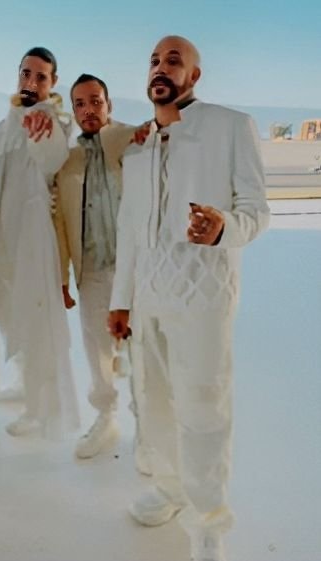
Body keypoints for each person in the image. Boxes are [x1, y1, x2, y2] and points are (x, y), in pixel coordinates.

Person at [108, 36, 270, 561]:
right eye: (154, 61)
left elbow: (257, 210)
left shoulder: (230, 127)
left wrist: (224, 228)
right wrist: (121, 300)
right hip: (149, 299)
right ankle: (170, 487)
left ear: (194, 76)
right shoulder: (140, 147)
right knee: (153, 401)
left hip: (203, 300)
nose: (161, 68)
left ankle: (208, 520)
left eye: (174, 61)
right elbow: (129, 231)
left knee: (203, 408)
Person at [0, 47, 79, 437]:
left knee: (37, 322)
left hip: (32, 238)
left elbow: (53, 159)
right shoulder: (6, 124)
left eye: (41, 77)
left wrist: (43, 132)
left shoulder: (54, 122)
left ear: (52, 83)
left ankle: (43, 410)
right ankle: (25, 385)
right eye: (26, 74)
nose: (31, 83)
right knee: (10, 316)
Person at [53, 74, 150, 466]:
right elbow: (59, 222)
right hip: (91, 269)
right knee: (98, 352)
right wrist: (62, 277)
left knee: (145, 350)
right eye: (80, 103)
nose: (88, 110)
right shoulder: (67, 160)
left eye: (95, 101)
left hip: (138, 269)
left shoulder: (133, 140)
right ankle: (106, 418)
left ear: (109, 104)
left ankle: (149, 429)